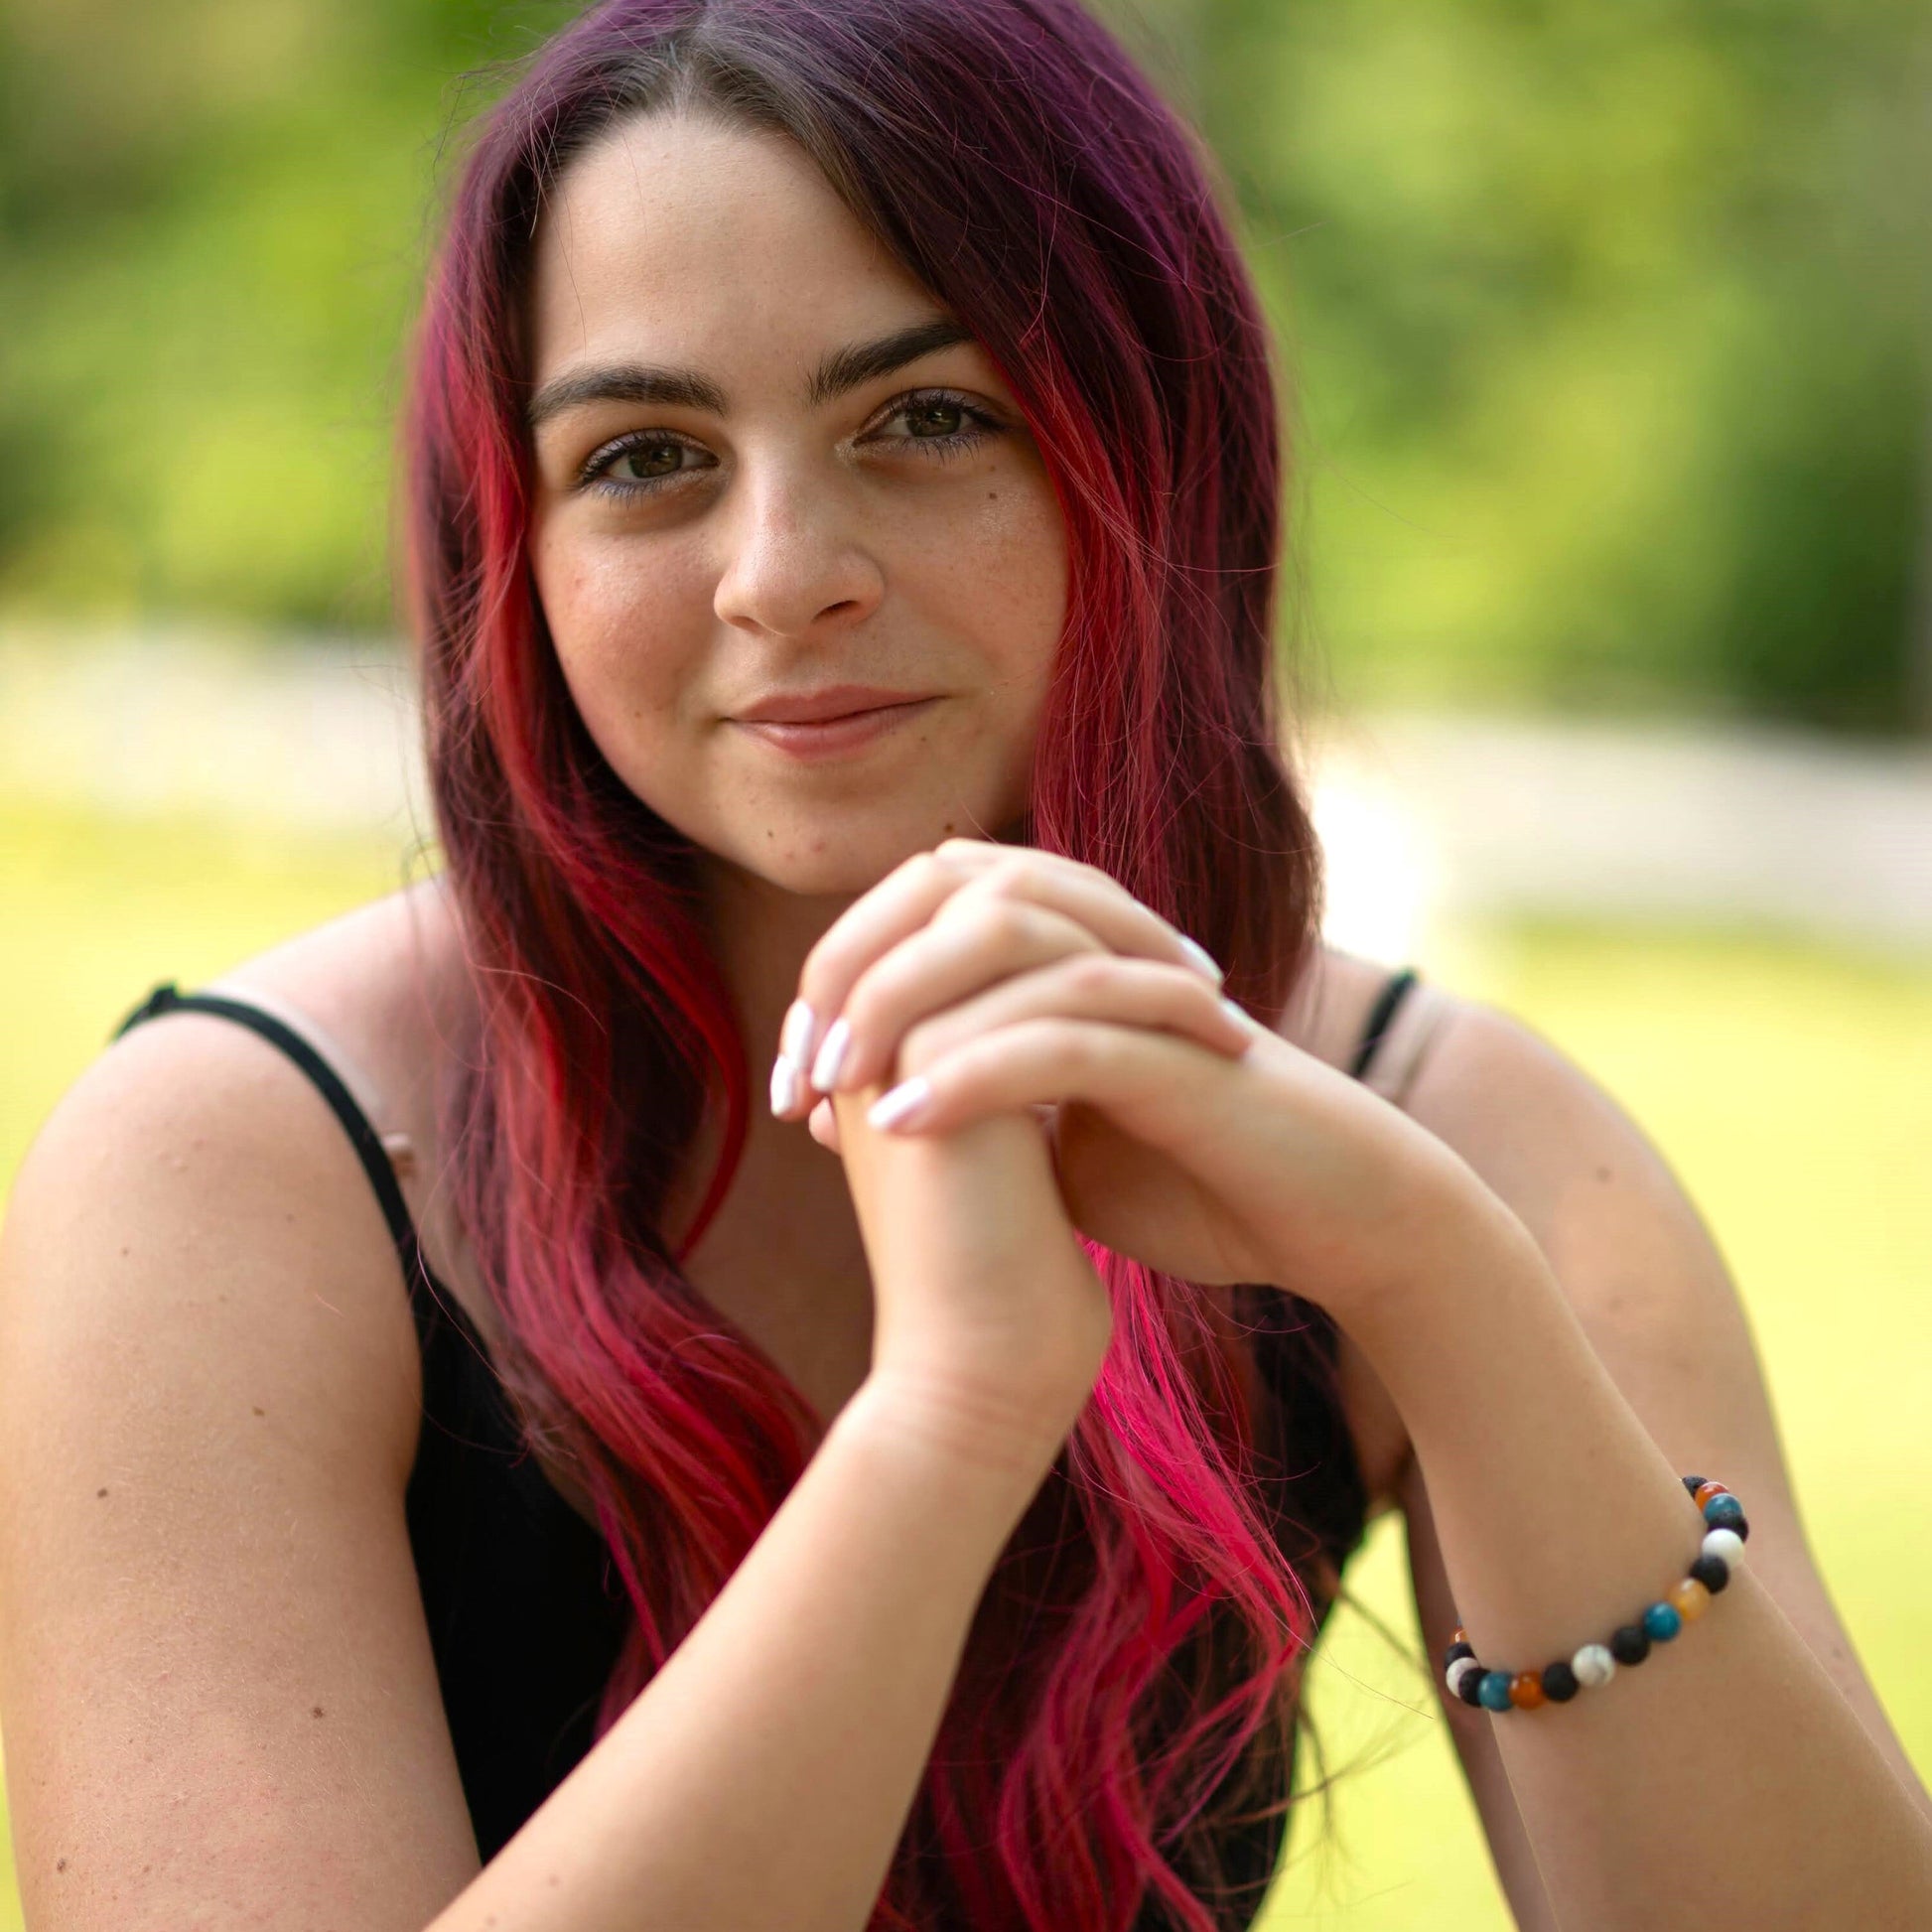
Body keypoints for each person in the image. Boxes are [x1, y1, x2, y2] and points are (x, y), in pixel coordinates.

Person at [2, 0, 1928, 1926]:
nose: (781, 571)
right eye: (648, 454)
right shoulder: (227, 1180)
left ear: (1148, 453)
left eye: (924, 418)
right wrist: (952, 1417)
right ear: (515, 538)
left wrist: (1437, 1285)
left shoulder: (1446, 1139)